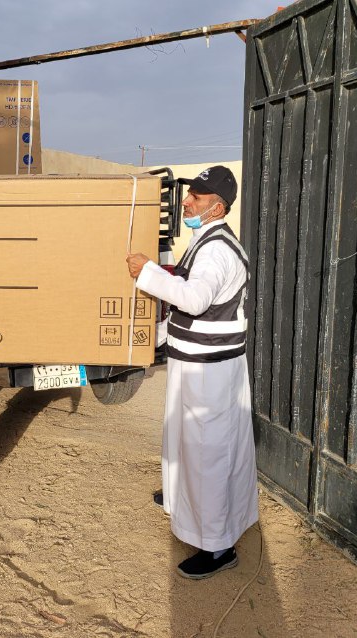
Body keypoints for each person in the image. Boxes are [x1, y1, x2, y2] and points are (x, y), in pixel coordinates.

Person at [126, 165, 258, 579]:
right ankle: (182, 501)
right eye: (189, 194)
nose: (186, 202)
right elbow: (191, 299)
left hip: (209, 372)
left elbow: (196, 300)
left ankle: (218, 547)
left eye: (196, 198)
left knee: (208, 453)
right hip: (194, 363)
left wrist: (147, 273)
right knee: (184, 440)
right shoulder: (206, 240)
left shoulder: (217, 250)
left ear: (216, 207)